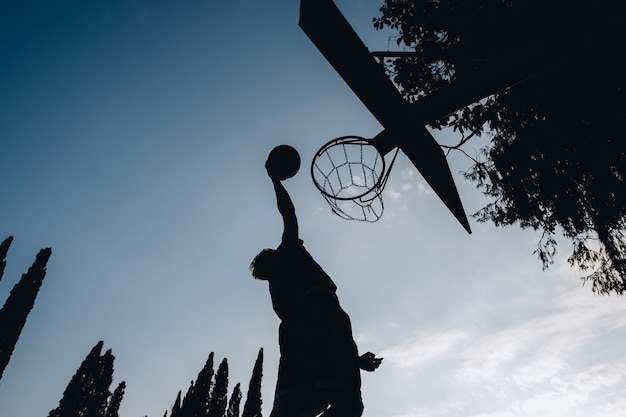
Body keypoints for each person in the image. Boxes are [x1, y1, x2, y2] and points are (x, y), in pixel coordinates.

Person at [251, 157, 382, 417]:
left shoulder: (280, 298)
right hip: (325, 327)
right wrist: (274, 180)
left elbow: (309, 347)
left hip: (301, 345)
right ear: (270, 258)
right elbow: (288, 213)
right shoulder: (286, 254)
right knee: (349, 406)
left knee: (296, 406)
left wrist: (353, 361)